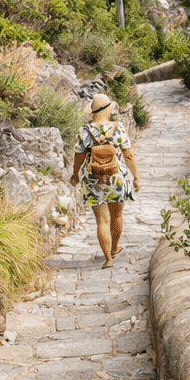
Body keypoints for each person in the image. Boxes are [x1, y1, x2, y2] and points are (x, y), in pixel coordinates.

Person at [69, 93, 141, 268]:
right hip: (116, 177)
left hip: (93, 179)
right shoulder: (118, 128)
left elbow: (78, 157)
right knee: (116, 215)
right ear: (108, 109)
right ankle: (115, 248)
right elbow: (128, 155)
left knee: (102, 220)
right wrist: (136, 177)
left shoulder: (84, 131)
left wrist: (75, 174)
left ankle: (108, 258)